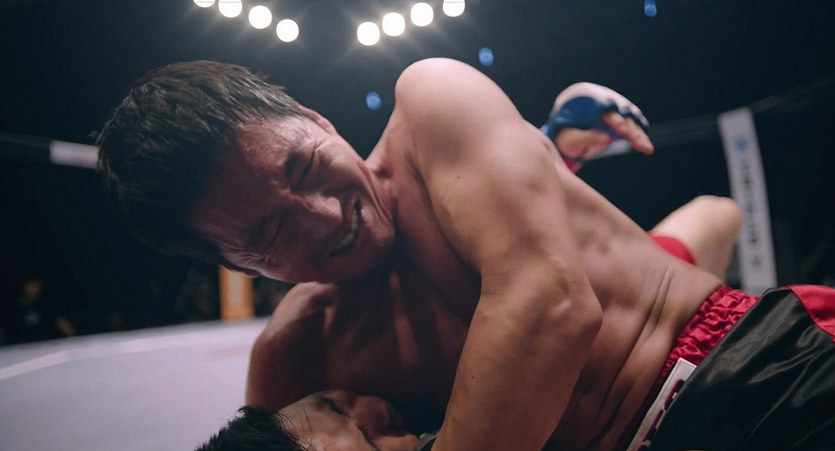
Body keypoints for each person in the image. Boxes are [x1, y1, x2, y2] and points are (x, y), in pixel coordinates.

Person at [96, 58, 831, 450]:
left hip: (745, 377)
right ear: (241, 269)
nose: (325, 217)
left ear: (314, 118)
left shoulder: (431, 102)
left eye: (304, 166)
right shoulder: (299, 357)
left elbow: (550, 307)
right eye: (269, 235)